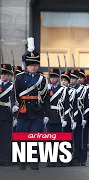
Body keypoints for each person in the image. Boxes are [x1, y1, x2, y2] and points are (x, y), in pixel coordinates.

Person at [12, 39, 50, 170]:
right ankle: (23, 161)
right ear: (26, 65)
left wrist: (46, 113)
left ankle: (34, 163)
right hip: (23, 111)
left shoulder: (42, 79)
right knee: (23, 139)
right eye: (31, 64)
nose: (34, 66)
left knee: (35, 138)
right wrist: (14, 107)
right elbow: (14, 94)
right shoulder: (19, 78)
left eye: (36, 64)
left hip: (37, 111)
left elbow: (46, 98)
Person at [46, 68, 70, 167]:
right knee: (49, 140)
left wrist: (65, 118)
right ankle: (51, 160)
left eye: (55, 77)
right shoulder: (46, 89)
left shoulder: (63, 90)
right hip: (49, 116)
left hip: (59, 116)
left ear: (58, 78)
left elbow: (67, 105)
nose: (53, 79)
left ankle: (60, 159)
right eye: (51, 77)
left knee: (59, 140)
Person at [68, 69, 89, 166]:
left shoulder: (83, 89)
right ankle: (69, 157)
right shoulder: (66, 89)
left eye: (74, 78)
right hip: (69, 116)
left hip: (80, 117)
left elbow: (86, 105)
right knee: (69, 138)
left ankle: (80, 158)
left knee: (80, 139)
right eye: (71, 78)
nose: (72, 80)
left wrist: (86, 118)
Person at [0, 64, 14, 166]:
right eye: (2, 73)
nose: (3, 76)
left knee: (5, 138)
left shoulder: (13, 87)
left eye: (5, 74)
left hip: (7, 114)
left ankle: (4, 159)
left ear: (10, 75)